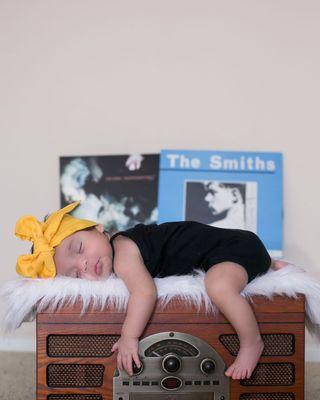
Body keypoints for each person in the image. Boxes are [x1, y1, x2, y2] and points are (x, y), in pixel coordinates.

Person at [15, 201, 287, 380]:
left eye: (79, 248)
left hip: (235, 248)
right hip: (230, 247)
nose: (84, 264)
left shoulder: (123, 252)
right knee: (220, 271)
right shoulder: (119, 248)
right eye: (75, 274)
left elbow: (144, 293)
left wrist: (129, 337)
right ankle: (268, 265)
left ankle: (252, 342)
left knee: (217, 285)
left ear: (100, 229)